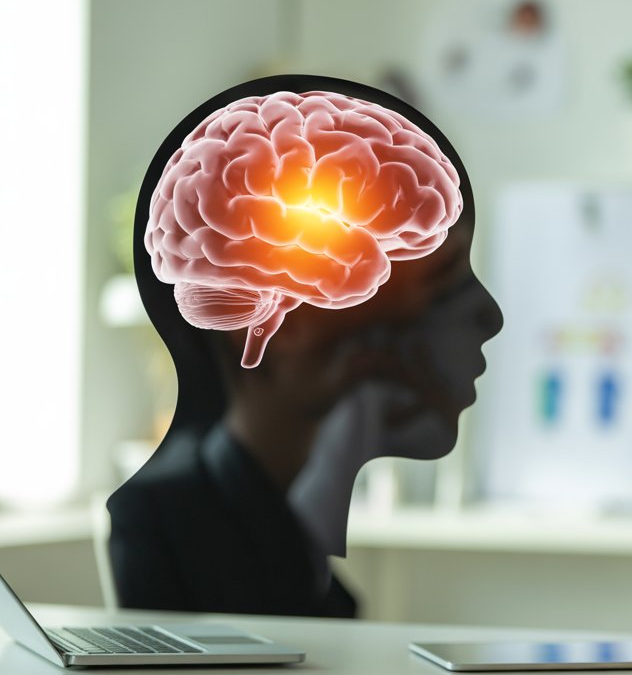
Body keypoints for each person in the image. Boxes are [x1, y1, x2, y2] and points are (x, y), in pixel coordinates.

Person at [107, 75, 503, 618]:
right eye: (440, 292)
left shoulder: (297, 533)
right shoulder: (161, 517)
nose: (489, 319)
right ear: (285, 327)